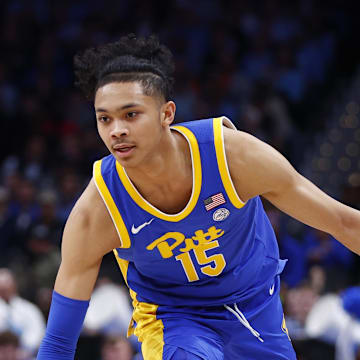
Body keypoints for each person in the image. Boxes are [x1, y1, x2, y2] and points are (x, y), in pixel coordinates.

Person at [36, 34, 360, 360]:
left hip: (255, 302)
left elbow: (342, 221)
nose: (116, 130)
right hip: (172, 316)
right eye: (104, 118)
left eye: (131, 114)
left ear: (167, 113)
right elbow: (59, 342)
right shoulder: (99, 208)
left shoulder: (234, 157)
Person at [0, 268, 45, 357]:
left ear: (14, 285)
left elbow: (39, 334)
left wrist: (22, 350)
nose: (4, 288)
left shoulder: (29, 309)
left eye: (7, 284)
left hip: (26, 355)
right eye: (1, 287)